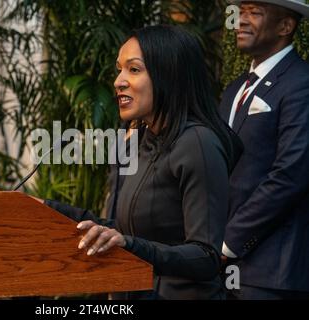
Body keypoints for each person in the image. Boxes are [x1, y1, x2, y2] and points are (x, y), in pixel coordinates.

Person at [43, 25, 239, 299]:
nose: (118, 81)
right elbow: (124, 231)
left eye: (133, 70)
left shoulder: (198, 143)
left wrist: (130, 245)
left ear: (168, 76)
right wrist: (44, 209)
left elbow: (205, 256)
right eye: (119, 69)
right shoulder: (143, 138)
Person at [220, 0, 309, 299]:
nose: (241, 21)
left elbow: (291, 174)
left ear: (286, 26)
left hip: (271, 273)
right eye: (240, 12)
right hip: (221, 267)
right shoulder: (234, 90)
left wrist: (230, 241)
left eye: (254, 13)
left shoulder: (302, 83)